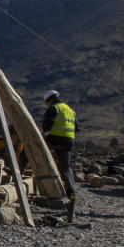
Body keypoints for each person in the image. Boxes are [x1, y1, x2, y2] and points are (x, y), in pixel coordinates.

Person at [41, 90, 78, 221]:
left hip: (54, 140)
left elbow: (46, 126)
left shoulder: (54, 108)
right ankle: (71, 194)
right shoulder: (69, 109)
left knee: (35, 151)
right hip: (68, 142)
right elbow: (76, 127)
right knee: (66, 168)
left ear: (49, 100)